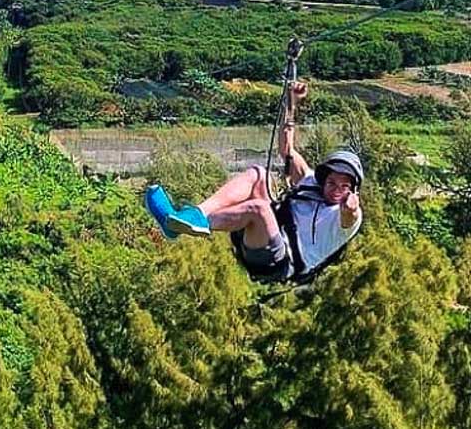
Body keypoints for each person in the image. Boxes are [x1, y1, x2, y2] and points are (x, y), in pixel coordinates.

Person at [145, 82, 363, 284]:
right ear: (324, 179)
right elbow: (287, 150)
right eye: (332, 182)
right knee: (258, 174)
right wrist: (291, 103)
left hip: (281, 262)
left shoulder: (345, 217)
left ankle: (190, 225)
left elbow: (349, 216)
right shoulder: (310, 182)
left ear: (352, 190)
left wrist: (350, 207)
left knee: (258, 209)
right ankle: (193, 216)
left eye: (344, 186)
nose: (336, 190)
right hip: (268, 234)